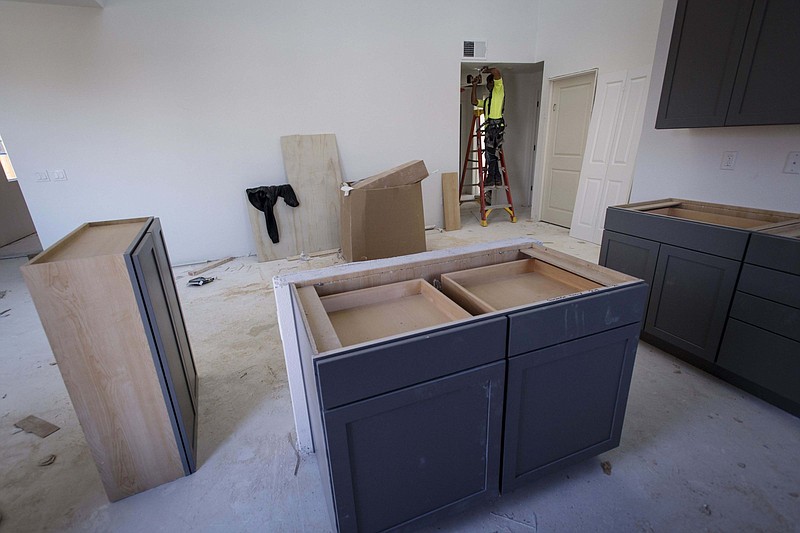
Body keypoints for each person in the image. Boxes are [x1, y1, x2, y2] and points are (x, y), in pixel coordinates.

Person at [471, 66, 505, 202]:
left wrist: (487, 70)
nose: (488, 85)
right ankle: (495, 178)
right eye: (488, 84)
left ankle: (493, 178)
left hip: (496, 127)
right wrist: (474, 85)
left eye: (490, 83)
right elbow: (473, 102)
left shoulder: (499, 91)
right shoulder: (487, 101)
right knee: (490, 154)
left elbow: (497, 71)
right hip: (491, 127)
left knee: (490, 154)